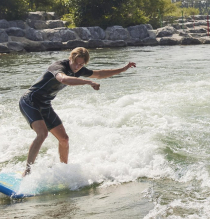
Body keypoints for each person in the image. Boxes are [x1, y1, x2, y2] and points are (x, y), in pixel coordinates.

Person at [19, 47, 136, 175]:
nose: (77, 67)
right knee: (42, 134)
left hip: (45, 104)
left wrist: (123, 69)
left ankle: (64, 171)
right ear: (71, 58)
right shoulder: (58, 67)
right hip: (30, 101)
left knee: (64, 139)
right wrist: (88, 82)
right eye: (76, 63)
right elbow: (64, 79)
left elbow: (100, 74)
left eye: (81, 64)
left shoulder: (79, 69)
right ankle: (27, 172)